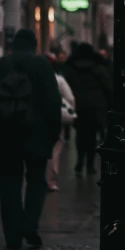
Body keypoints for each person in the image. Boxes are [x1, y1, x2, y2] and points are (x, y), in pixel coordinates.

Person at [0, 29, 61, 249]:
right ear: (34, 45)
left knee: (9, 183)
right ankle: (29, 224)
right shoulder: (42, 65)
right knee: (37, 180)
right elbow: (53, 102)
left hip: (6, 135)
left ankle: (12, 235)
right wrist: (54, 134)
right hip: (37, 134)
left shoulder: (2, 65)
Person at [61, 42, 112, 175]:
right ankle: (90, 164)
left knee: (80, 135)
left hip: (78, 106)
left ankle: (79, 161)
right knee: (91, 136)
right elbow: (108, 88)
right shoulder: (98, 69)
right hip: (95, 107)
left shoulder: (71, 69)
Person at [45, 54, 77, 192]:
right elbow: (70, 98)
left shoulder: (35, 79)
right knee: (55, 149)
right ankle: (50, 179)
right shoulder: (59, 80)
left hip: (39, 119)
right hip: (57, 118)